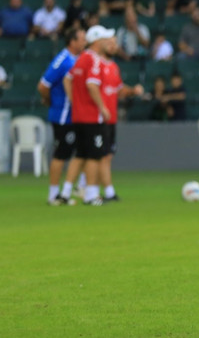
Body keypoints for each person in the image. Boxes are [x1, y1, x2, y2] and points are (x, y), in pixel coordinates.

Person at [61, 26, 118, 206]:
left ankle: (65, 192)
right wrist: (102, 107)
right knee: (94, 155)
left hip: (78, 115)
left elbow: (67, 79)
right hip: (92, 117)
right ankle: (91, 195)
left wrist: (74, 101)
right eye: (103, 39)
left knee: (80, 154)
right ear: (96, 41)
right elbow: (92, 85)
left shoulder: (81, 58)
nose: (106, 42)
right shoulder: (93, 60)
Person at [38, 28, 86, 205]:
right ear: (72, 41)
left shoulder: (75, 59)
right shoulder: (62, 60)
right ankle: (53, 194)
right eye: (81, 39)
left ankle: (77, 187)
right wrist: (50, 101)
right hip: (62, 115)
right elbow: (43, 85)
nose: (84, 42)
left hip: (73, 115)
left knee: (79, 151)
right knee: (61, 154)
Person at [99, 38, 144, 202]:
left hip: (111, 118)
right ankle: (103, 191)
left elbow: (119, 90)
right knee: (101, 155)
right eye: (110, 43)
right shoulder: (97, 66)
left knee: (107, 155)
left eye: (115, 44)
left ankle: (94, 188)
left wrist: (133, 90)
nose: (113, 46)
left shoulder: (113, 67)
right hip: (99, 118)